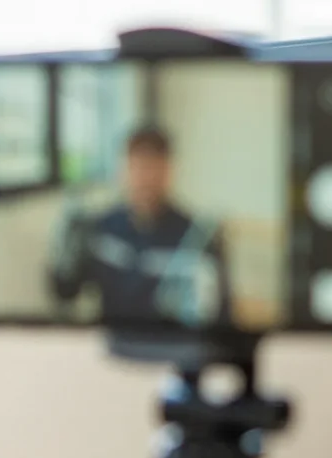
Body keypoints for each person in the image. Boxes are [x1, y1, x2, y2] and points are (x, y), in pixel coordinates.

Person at [47, 125, 229, 327]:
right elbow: (65, 293)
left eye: (154, 166)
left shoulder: (198, 238)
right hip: (113, 344)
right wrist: (63, 253)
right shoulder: (102, 228)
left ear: (169, 171)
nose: (146, 178)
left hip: (171, 349)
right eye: (137, 166)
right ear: (123, 170)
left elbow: (219, 319)